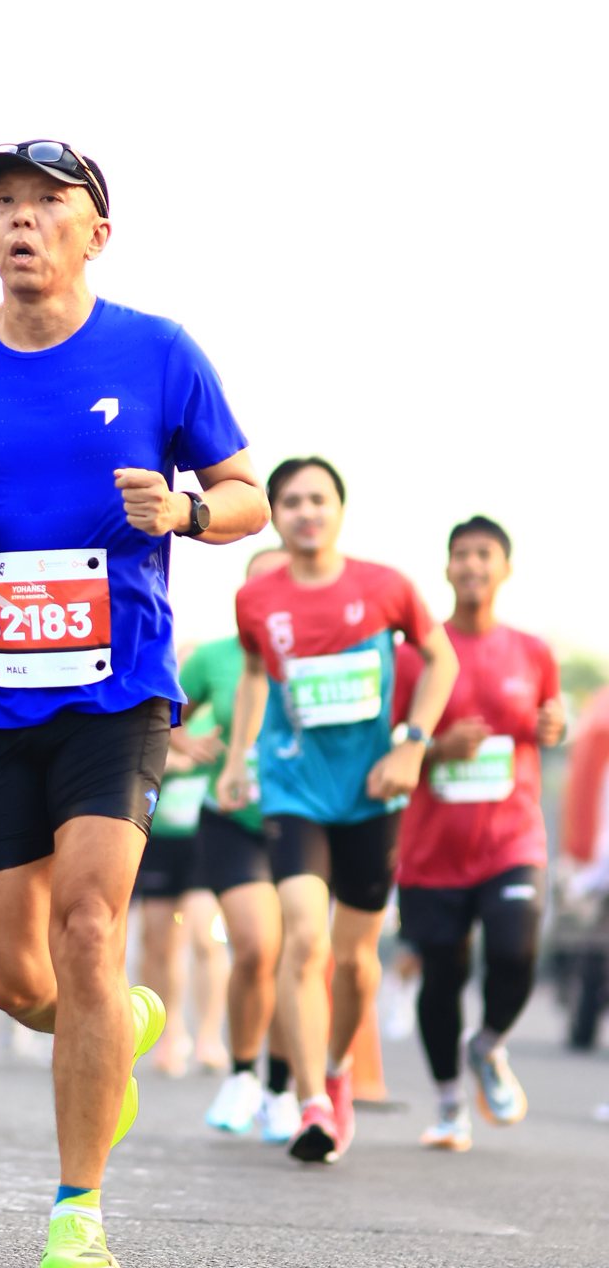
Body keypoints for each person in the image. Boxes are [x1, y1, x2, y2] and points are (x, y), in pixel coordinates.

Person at [0, 139, 268, 1268]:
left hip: (117, 690)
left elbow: (245, 494)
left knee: (89, 928)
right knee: (19, 979)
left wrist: (185, 509)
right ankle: (116, 1023)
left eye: (44, 202)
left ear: (94, 232)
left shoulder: (157, 352)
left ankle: (76, 1210)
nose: (18, 218)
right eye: (0, 202)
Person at [218, 457, 458, 1164]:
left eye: (318, 499)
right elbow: (254, 675)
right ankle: (309, 1103)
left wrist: (412, 744)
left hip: (371, 793)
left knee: (354, 961)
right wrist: (236, 759)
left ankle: (336, 1070)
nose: (306, 512)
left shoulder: (385, 587)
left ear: (339, 510)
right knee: (304, 938)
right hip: (293, 788)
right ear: (276, 515)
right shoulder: (256, 600)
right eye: (291, 501)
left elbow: (441, 660)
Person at [394, 517, 562, 1149]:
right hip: (433, 848)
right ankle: (448, 1104)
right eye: (461, 554)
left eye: (485, 554)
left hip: (512, 840)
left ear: (505, 568)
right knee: (442, 976)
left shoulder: (532, 651)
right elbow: (387, 748)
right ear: (446, 568)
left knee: (516, 951)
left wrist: (554, 728)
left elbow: (549, 719)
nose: (472, 565)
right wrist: (438, 749)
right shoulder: (415, 655)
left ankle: (488, 1045)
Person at [185, 548, 303, 1145]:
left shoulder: (321, 649)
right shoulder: (214, 657)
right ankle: (241, 1074)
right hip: (231, 819)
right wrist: (183, 744)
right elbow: (160, 712)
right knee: (256, 948)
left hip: (303, 821)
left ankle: (281, 1088)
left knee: (293, 956)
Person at [133, 731, 229, 1079]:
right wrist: (171, 761)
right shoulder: (155, 707)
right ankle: (171, 1033)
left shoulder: (217, 708)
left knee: (207, 938)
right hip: (158, 837)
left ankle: (210, 1036)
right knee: (159, 943)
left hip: (205, 836)